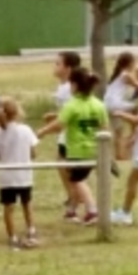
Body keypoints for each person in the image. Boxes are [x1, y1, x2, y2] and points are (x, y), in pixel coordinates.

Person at [36, 67, 109, 225]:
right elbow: (104, 128)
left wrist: (42, 132)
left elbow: (59, 124)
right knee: (75, 178)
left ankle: (92, 211)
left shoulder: (72, 104)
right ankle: (72, 210)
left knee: (77, 181)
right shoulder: (99, 105)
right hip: (94, 149)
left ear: (74, 85)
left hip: (77, 150)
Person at [0, 98, 39, 249]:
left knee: (8, 208)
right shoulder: (26, 130)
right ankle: (31, 230)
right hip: (24, 175)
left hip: (7, 177)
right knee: (27, 203)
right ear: (17, 112)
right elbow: (33, 153)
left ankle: (12, 236)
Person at [111, 74, 138, 227]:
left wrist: (121, 113)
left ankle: (125, 213)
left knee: (132, 182)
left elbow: (137, 121)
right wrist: (134, 138)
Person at [42, 51, 82, 217]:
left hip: (71, 134)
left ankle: (75, 202)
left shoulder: (70, 88)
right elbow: (65, 111)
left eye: (58, 64)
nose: (55, 66)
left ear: (68, 68)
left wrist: (47, 129)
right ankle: (72, 198)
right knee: (62, 166)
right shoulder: (62, 86)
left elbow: (73, 113)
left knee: (69, 169)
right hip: (64, 133)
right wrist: (55, 115)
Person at [104, 51, 138, 161]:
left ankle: (119, 156)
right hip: (116, 104)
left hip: (107, 104)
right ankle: (135, 132)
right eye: (134, 62)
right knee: (136, 108)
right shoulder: (126, 74)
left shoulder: (117, 74)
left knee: (118, 131)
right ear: (129, 63)